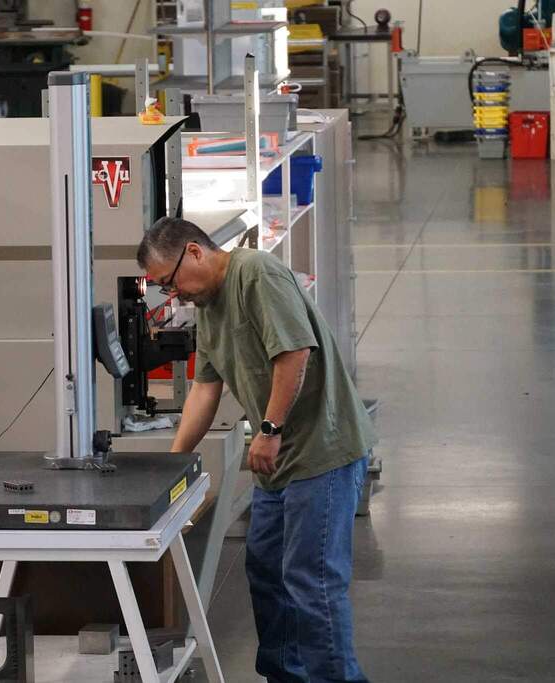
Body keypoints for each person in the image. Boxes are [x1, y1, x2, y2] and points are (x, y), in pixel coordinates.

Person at [137, 216, 377, 683]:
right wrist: (172, 463)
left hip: (321, 453)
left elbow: (294, 353)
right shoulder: (208, 308)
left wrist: (268, 429)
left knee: (313, 584)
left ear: (194, 252)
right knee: (267, 575)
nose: (174, 295)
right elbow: (205, 390)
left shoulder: (256, 275)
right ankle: (286, 676)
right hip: (277, 464)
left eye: (170, 282)